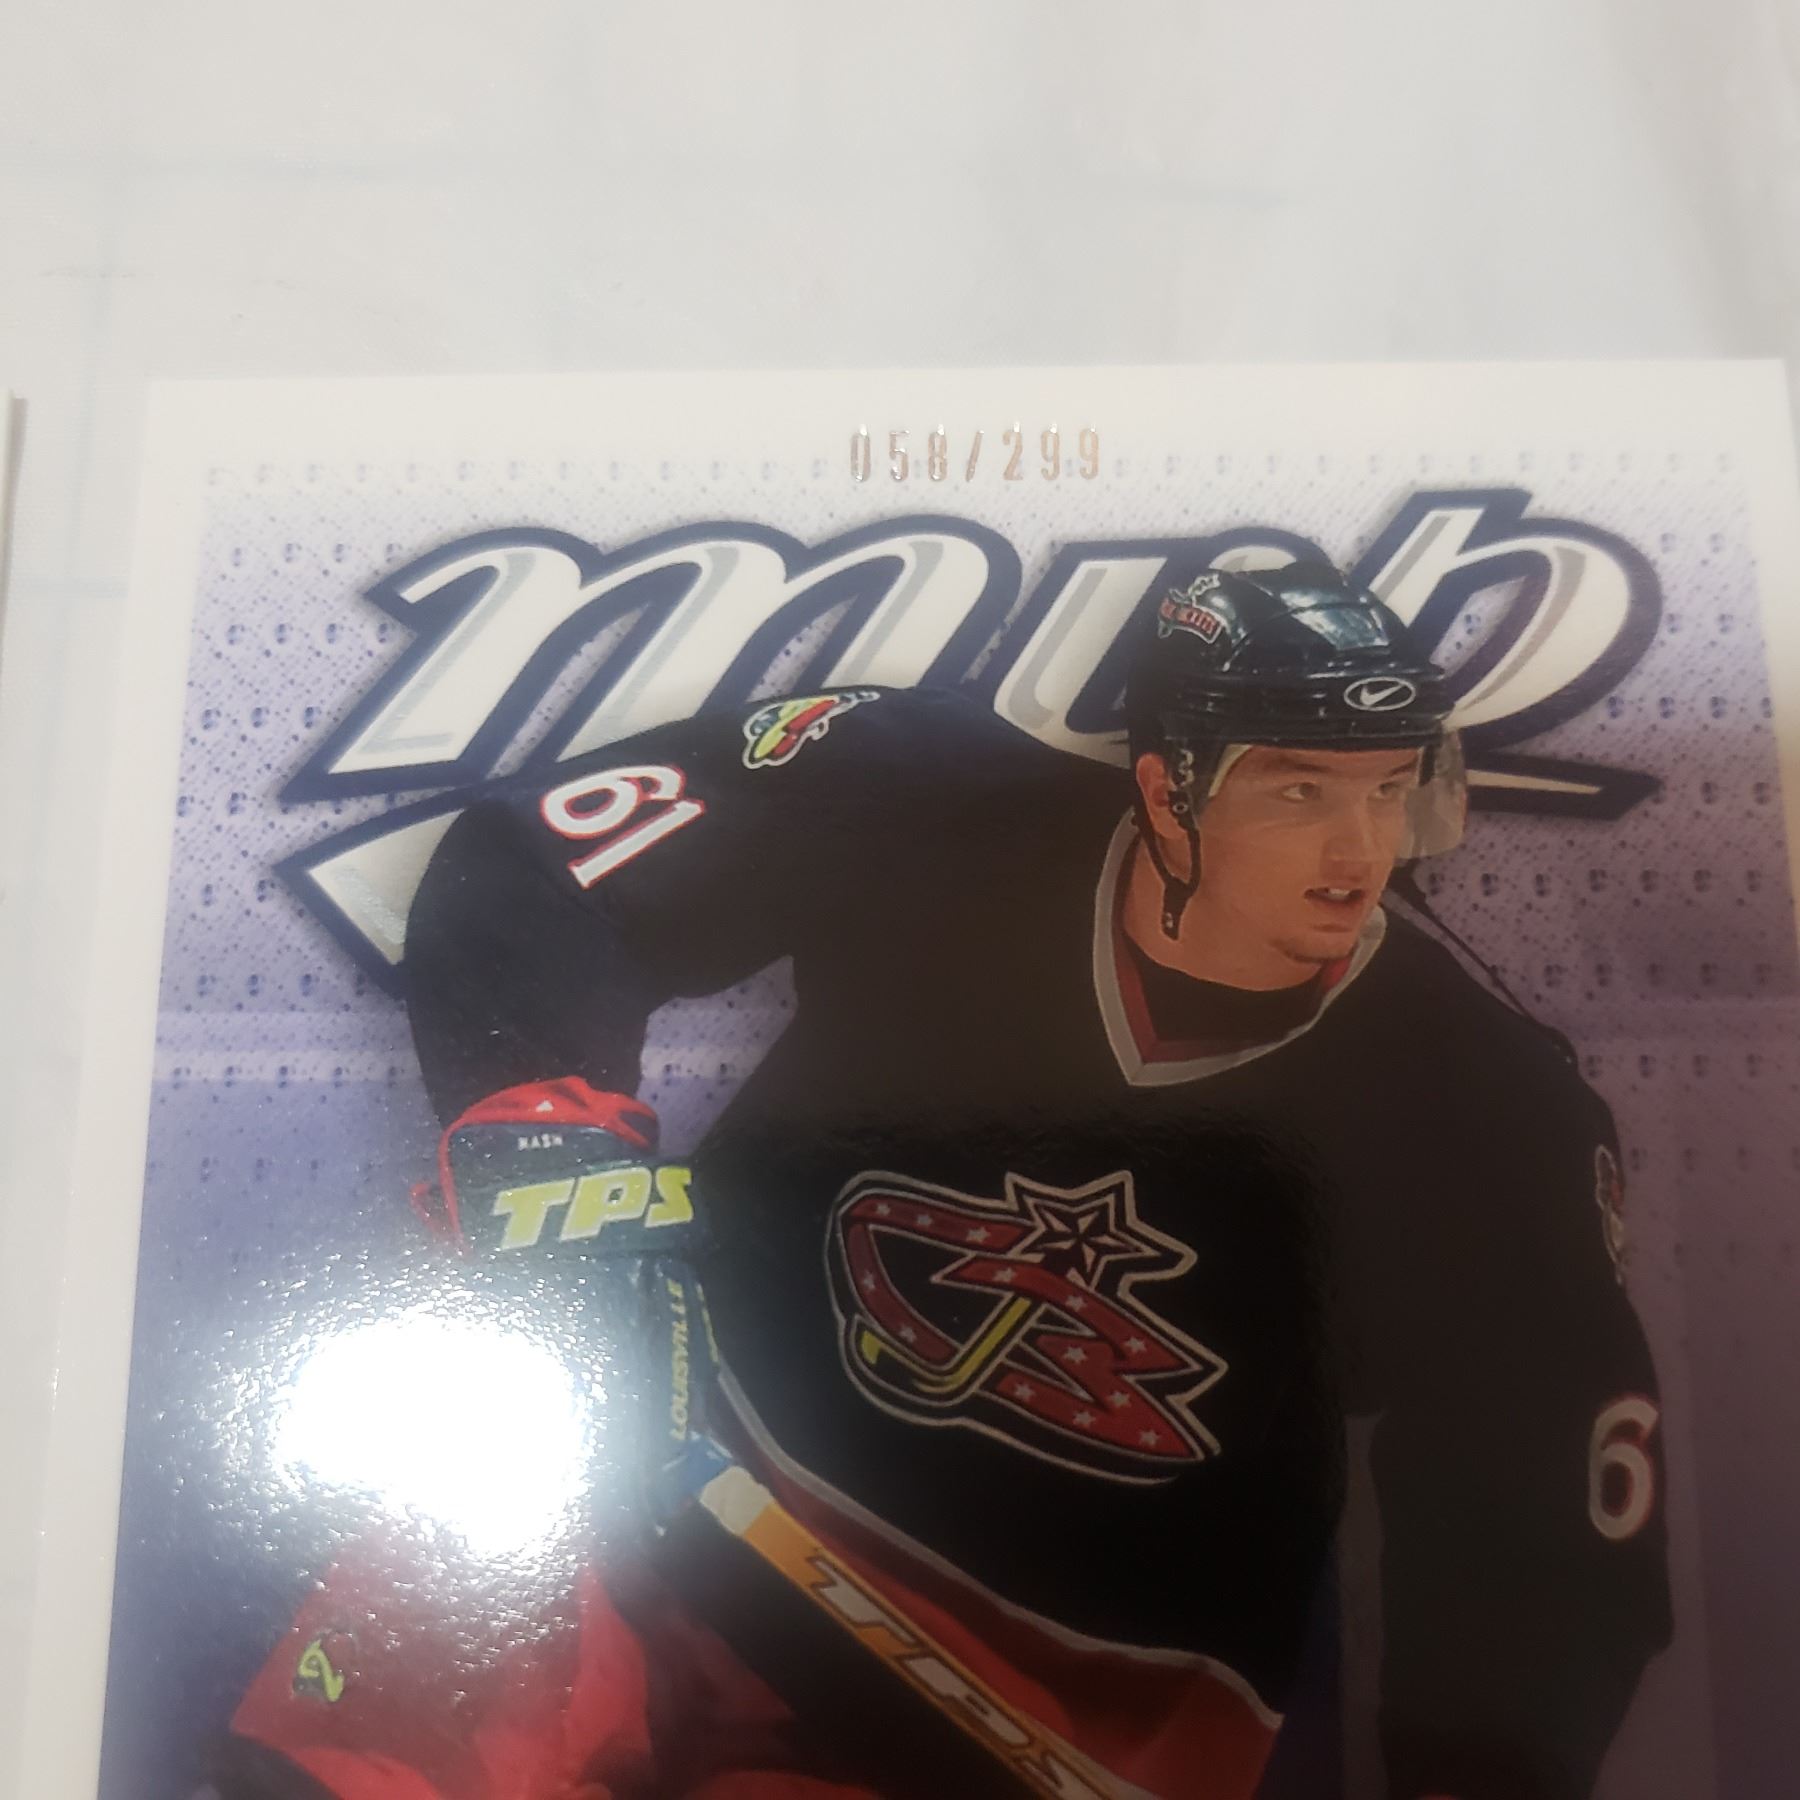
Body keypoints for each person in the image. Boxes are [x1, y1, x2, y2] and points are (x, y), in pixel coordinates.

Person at [216, 565, 1671, 1800]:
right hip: (659, 1474)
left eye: (1390, 791)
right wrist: (553, 1146)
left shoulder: (1493, 1111)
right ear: (1167, 792)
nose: (1359, 858)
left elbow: (1549, 1533)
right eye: (1300, 792)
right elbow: (544, 866)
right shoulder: (921, 797)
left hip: (1057, 1703)